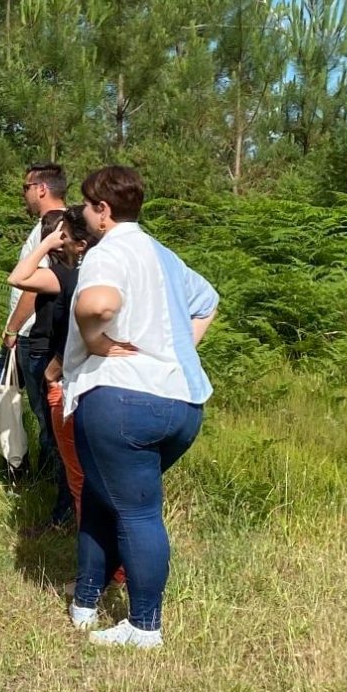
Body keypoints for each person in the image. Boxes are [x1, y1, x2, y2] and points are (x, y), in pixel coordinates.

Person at [63, 166, 218, 650]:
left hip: (122, 398)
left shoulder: (108, 251)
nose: (85, 213)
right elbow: (207, 300)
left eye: (87, 205)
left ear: (102, 211)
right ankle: (86, 599)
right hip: (182, 402)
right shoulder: (164, 254)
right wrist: (176, 353)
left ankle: (144, 625)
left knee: (135, 510)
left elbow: (99, 304)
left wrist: (95, 339)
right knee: (105, 496)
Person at [5, 206, 97, 526]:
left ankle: (64, 514)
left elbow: (18, 278)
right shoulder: (84, 273)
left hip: (60, 369)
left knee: (61, 446)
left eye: (64, 236)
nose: (60, 240)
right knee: (67, 447)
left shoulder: (64, 276)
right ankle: (69, 513)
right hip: (75, 370)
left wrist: (43, 246)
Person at [2, 163, 70, 519]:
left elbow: (32, 286)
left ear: (41, 189)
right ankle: (51, 488)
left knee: (50, 421)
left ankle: (59, 502)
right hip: (36, 336)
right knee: (48, 420)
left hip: (36, 337)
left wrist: (13, 328)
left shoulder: (52, 229)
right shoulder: (57, 226)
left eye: (26, 187)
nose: (24, 194)